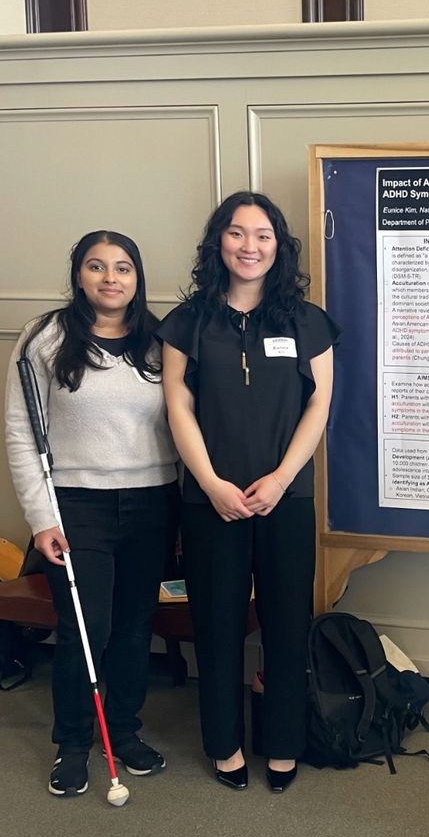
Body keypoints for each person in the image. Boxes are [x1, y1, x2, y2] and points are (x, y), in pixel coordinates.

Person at [159, 191, 337, 794]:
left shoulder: (306, 319)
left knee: (287, 622)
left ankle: (283, 743)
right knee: (217, 623)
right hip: (211, 500)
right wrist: (210, 483)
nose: (249, 246)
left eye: (262, 236)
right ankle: (223, 744)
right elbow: (177, 406)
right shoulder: (188, 321)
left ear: (278, 247)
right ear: (219, 243)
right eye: (237, 234)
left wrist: (283, 478)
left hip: (286, 497)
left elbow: (320, 404)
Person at [5, 230, 179, 797]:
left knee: (133, 628)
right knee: (88, 629)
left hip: (153, 501)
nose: (111, 278)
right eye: (97, 266)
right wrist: (40, 518)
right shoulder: (44, 338)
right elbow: (20, 432)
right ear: (78, 274)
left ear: (137, 276)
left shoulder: (162, 340)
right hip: (77, 506)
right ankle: (74, 742)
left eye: (123, 267)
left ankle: (122, 732)